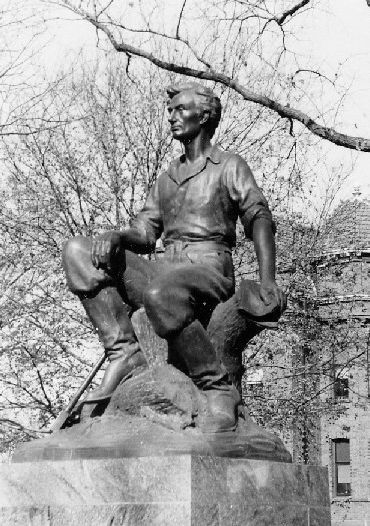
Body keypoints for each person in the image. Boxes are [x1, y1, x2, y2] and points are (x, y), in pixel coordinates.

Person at [62, 82, 285, 433]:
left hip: (209, 268)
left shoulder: (229, 165)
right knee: (78, 251)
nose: (172, 118)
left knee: (161, 293)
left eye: (181, 110)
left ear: (206, 115)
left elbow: (258, 217)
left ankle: (216, 387)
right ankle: (124, 351)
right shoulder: (168, 177)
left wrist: (268, 279)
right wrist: (117, 236)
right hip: (167, 267)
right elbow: (146, 232)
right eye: (170, 111)